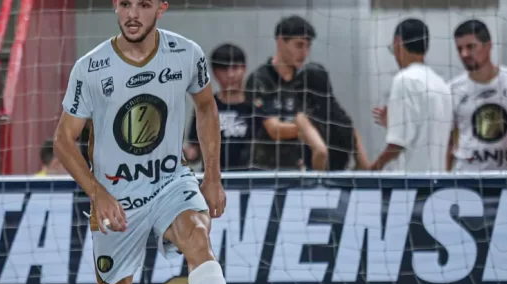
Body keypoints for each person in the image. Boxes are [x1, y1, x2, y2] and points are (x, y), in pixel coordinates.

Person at [53, 0, 247, 284]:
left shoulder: (186, 54)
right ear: (114, 6)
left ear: (161, 7)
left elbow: (205, 107)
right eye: (125, 3)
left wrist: (212, 175)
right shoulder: (91, 67)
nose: (133, 14)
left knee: (196, 234)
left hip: (170, 180)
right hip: (117, 197)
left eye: (143, 4)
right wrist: (97, 192)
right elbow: (64, 139)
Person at [246, 15, 366, 170]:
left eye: (308, 47)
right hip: (268, 169)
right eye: (299, 45)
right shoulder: (260, 79)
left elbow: (334, 115)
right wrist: (314, 130)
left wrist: (336, 130)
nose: (304, 53)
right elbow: (274, 130)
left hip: (306, 168)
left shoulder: (310, 78)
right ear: (281, 41)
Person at [447, 19, 507, 171]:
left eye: (471, 47)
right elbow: (448, 140)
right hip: (467, 177)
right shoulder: (453, 89)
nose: (464, 54)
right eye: (460, 49)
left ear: (488, 45)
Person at [370, 18, 453, 172]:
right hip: (438, 182)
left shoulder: (404, 80)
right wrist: (393, 123)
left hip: (411, 186)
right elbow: (425, 134)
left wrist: (372, 170)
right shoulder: (441, 85)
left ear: (397, 42)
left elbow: (397, 145)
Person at [183, 43, 262, 171]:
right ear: (214, 72)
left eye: (235, 68)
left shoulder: (256, 106)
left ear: (244, 68)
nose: (230, 75)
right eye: (224, 69)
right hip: (214, 180)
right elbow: (195, 149)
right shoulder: (206, 105)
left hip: (251, 180)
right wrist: (182, 153)